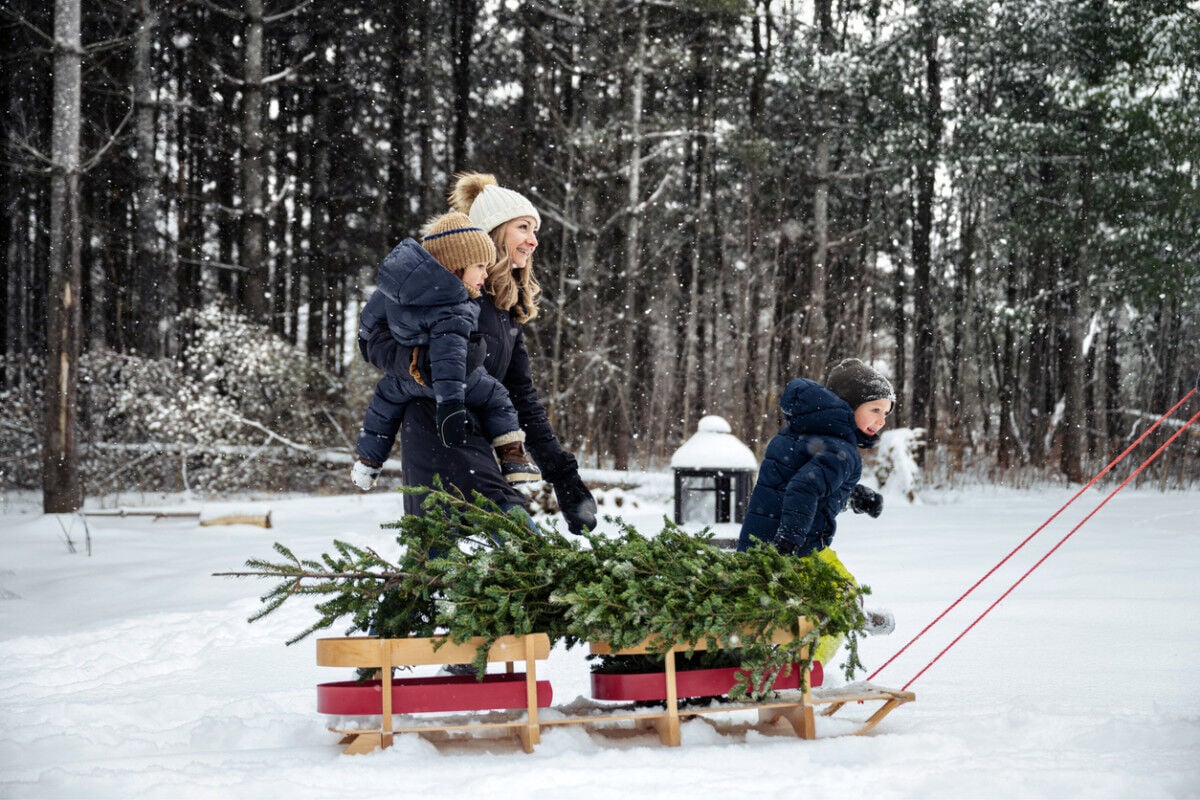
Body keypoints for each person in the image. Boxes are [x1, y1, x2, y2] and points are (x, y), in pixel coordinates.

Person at [364, 172, 597, 536]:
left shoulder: (504, 311)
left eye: (535, 230)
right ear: (495, 230)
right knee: (515, 534)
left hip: (472, 433)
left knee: (437, 559)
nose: (533, 241)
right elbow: (372, 337)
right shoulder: (440, 288)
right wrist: (418, 366)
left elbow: (522, 399)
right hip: (437, 424)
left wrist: (565, 478)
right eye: (523, 227)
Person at [350, 212, 541, 490]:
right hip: (446, 384)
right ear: (456, 266)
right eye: (480, 265)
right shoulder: (455, 304)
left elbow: (368, 323)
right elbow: (449, 360)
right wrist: (450, 406)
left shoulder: (396, 289)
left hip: (403, 380)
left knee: (382, 406)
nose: (485, 274)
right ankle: (513, 457)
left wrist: (386, 350)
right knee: (497, 395)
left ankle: (367, 463)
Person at [737, 357, 896, 647]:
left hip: (760, 542)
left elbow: (804, 483)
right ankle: (807, 669)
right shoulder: (841, 449)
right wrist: (789, 541)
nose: (881, 420)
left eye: (885, 412)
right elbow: (804, 489)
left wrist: (854, 495)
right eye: (874, 410)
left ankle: (790, 656)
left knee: (788, 608)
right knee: (838, 599)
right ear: (849, 406)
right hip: (795, 550)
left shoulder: (805, 432)